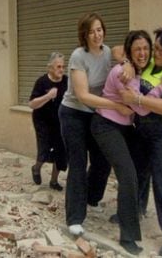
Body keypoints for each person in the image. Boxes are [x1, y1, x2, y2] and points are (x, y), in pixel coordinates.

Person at [90, 30, 162, 255]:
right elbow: (142, 107)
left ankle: (106, 204)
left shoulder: (139, 70)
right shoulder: (123, 73)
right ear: (130, 51)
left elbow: (119, 51)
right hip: (106, 125)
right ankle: (128, 237)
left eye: (146, 48)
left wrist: (129, 60)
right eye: (137, 49)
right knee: (127, 175)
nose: (143, 53)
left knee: (126, 171)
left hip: (125, 127)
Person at [58, 12, 134, 236]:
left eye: (99, 29)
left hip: (95, 114)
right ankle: (75, 217)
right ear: (84, 34)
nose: (96, 35)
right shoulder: (78, 56)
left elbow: (122, 49)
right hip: (73, 113)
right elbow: (83, 95)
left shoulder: (107, 51)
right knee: (78, 163)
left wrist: (127, 62)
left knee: (102, 160)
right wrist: (117, 107)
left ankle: (91, 198)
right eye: (91, 31)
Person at [119, 27, 162, 257]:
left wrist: (137, 99)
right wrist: (128, 63)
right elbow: (118, 50)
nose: (155, 53)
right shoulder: (149, 63)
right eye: (155, 47)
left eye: (161, 50)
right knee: (138, 173)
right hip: (143, 131)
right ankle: (136, 210)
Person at [28, 52, 68, 191]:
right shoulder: (42, 82)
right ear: (49, 68)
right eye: (58, 67)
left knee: (60, 151)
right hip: (42, 121)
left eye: (63, 66)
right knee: (44, 149)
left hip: (59, 121)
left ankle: (53, 181)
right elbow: (32, 104)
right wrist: (48, 96)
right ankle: (36, 168)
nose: (61, 70)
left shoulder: (66, 81)